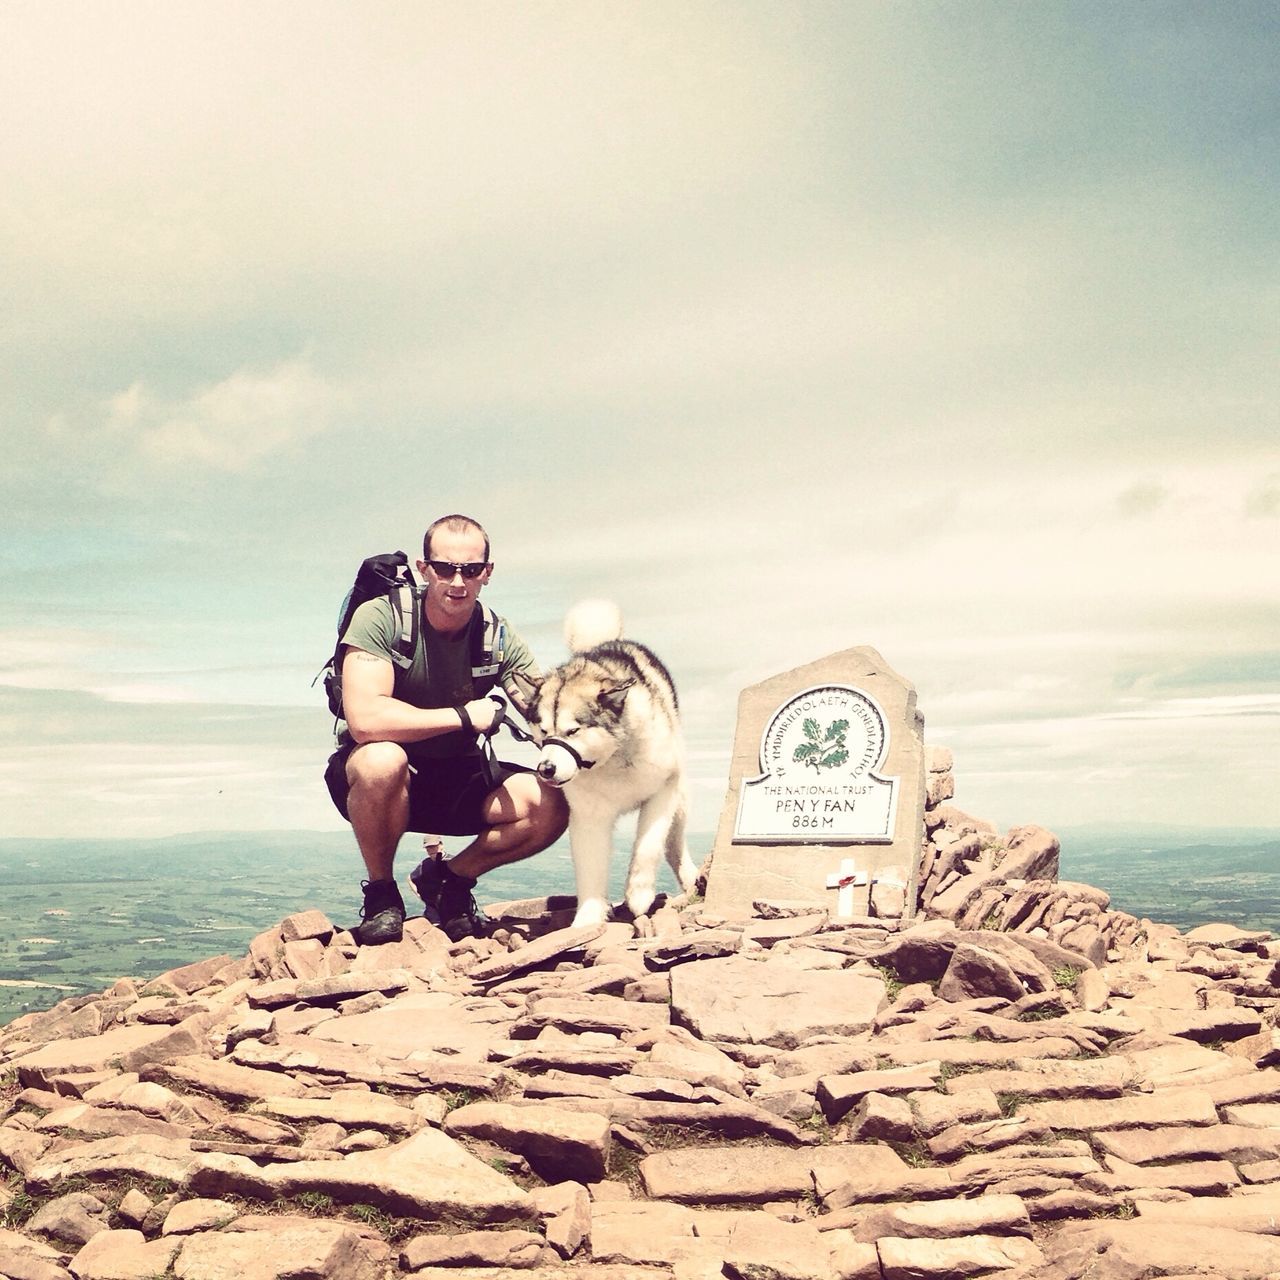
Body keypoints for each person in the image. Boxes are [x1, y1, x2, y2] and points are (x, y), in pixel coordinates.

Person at [323, 514, 568, 944]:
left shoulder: (496, 636)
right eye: (445, 568)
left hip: (457, 776)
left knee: (550, 803)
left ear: (487, 573)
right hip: (378, 780)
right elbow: (365, 720)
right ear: (424, 569)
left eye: (471, 569)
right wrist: (462, 716)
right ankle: (382, 895)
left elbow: (541, 708)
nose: (458, 581)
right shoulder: (381, 618)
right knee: (383, 758)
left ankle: (449, 881)